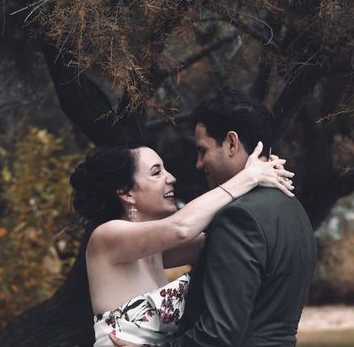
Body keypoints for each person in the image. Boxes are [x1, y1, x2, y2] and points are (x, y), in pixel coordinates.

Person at [110, 91, 317, 347]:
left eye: (202, 150)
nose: (198, 163)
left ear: (232, 143)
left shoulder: (240, 217)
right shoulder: (293, 209)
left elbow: (218, 335)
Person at [71, 133, 295, 346]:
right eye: (157, 173)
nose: (171, 178)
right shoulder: (106, 237)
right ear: (127, 193)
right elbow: (181, 227)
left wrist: (264, 177)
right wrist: (248, 177)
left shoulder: (156, 250)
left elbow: (226, 236)